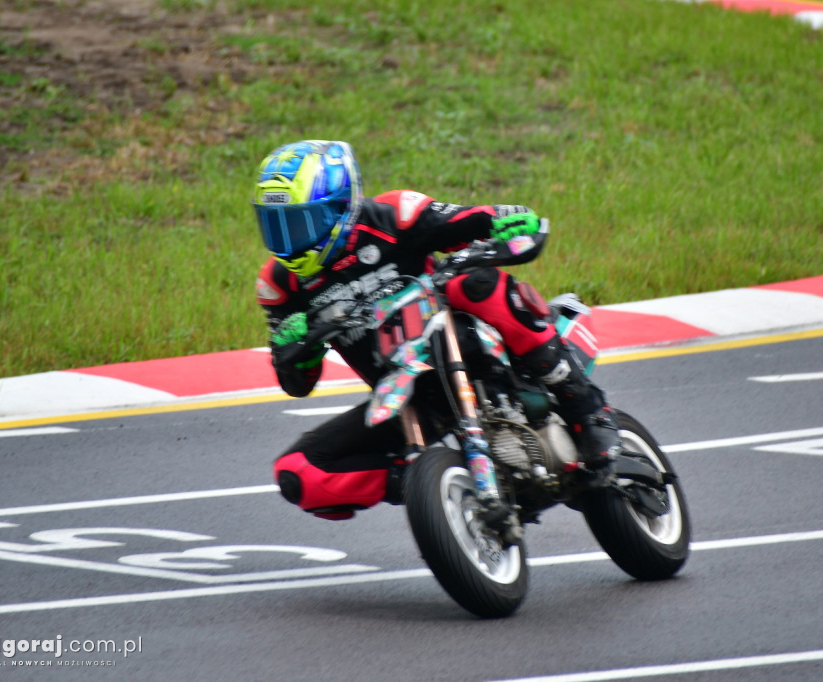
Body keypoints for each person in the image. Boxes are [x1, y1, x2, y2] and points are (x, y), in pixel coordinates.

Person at [253, 140, 621, 520]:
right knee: (297, 471)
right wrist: (297, 347)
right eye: (274, 224)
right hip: (405, 393)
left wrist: (504, 217)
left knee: (471, 282)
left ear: (340, 205)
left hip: (459, 344)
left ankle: (585, 405)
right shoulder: (279, 284)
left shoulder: (393, 214)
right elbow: (298, 383)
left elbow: (471, 220)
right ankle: (425, 483)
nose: (288, 239)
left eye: (298, 222)